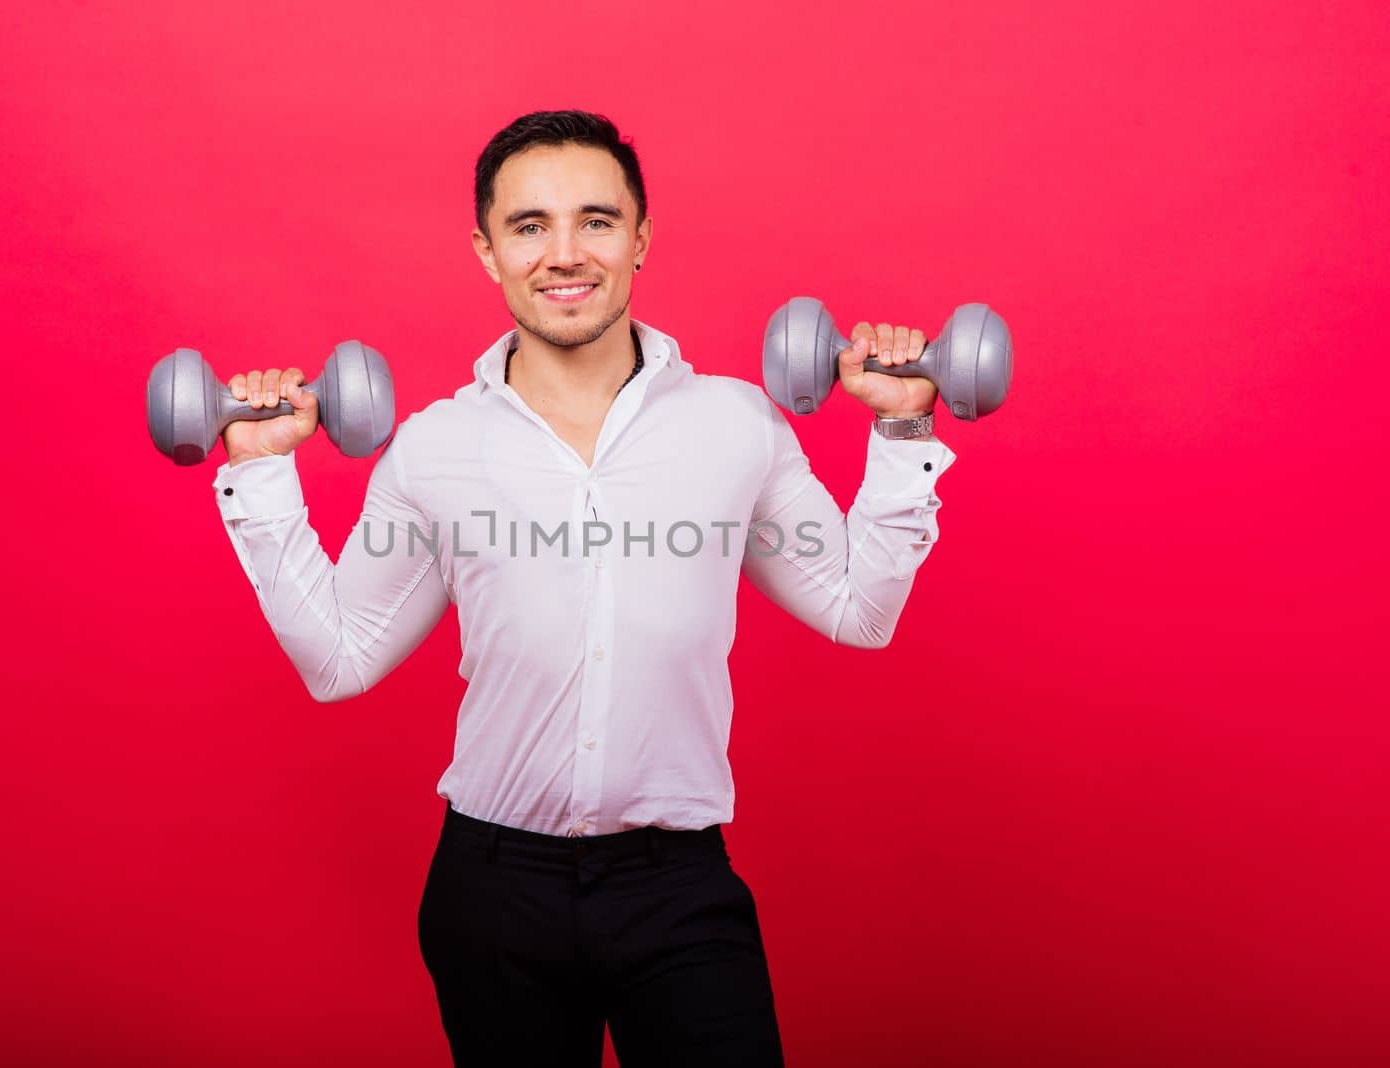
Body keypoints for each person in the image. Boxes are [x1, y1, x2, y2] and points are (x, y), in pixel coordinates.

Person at [210, 110, 956, 1067]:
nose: (565, 254)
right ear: (487, 251)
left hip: (677, 886)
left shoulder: (737, 425)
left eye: (597, 221)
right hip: (493, 889)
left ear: (641, 238)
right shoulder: (436, 449)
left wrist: (900, 435)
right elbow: (340, 662)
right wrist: (263, 474)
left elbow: (859, 611)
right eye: (529, 226)